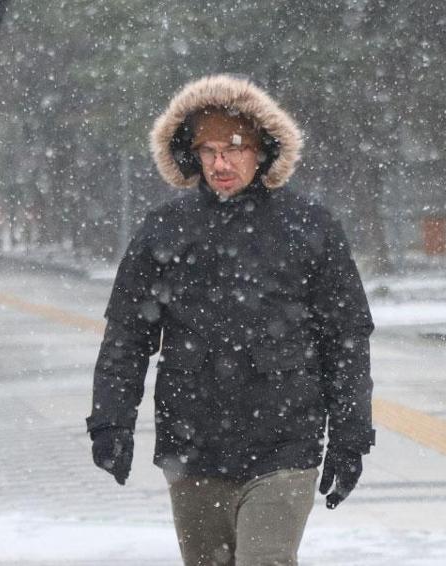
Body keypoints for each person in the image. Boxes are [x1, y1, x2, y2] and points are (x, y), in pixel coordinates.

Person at [85, 74, 375, 566]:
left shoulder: (309, 226)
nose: (220, 163)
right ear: (190, 155)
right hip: (193, 442)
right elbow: (128, 335)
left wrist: (350, 439)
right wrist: (111, 422)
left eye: (234, 149)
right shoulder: (165, 228)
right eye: (208, 150)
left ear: (262, 152)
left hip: (286, 439)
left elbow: (345, 338)